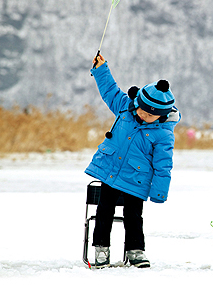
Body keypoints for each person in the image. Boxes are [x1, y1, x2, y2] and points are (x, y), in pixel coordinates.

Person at [85, 54, 181, 268]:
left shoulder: (164, 134)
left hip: (137, 180)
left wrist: (159, 191)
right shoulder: (124, 107)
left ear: (162, 116)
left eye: (151, 116)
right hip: (111, 172)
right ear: (137, 103)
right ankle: (101, 249)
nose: (145, 116)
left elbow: (163, 165)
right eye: (143, 111)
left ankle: (136, 250)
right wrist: (100, 69)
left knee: (133, 216)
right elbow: (109, 90)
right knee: (104, 211)